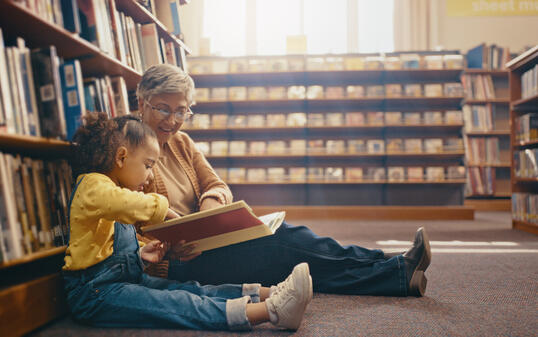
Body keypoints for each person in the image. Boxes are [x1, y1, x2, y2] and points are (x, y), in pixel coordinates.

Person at [138, 64, 431, 297]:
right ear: (141, 102)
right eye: (164, 108)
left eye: (181, 111)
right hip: (179, 263)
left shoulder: (182, 142)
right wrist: (168, 251)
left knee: (287, 246)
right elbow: (124, 229)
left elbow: (216, 185)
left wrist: (206, 214)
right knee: (283, 245)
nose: (173, 120)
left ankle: (392, 270)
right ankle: (389, 267)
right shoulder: (127, 150)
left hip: (212, 243)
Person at [62, 112, 313, 331]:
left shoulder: (114, 189)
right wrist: (168, 212)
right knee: (177, 304)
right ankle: (271, 312)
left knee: (186, 289)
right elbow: (128, 204)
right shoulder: (93, 185)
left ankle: (266, 293)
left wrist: (139, 254)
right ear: (120, 158)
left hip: (123, 280)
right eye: (148, 166)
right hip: (94, 294)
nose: (150, 177)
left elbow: (105, 249)